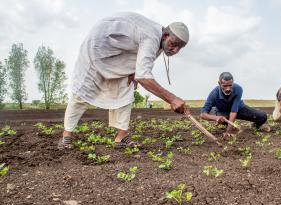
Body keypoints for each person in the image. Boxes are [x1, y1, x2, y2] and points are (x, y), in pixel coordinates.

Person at [58, 12, 189, 149]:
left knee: (126, 87)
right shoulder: (151, 37)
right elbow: (143, 75)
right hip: (98, 47)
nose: (175, 50)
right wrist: (172, 99)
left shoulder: (161, 42)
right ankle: (66, 135)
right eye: (174, 44)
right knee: (83, 91)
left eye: (180, 48)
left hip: (119, 53)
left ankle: (121, 136)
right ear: (166, 35)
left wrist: (133, 73)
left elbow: (142, 67)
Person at [200, 72, 270, 136]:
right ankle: (219, 116)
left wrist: (228, 132)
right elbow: (203, 114)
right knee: (223, 120)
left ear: (233, 83)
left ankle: (255, 126)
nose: (228, 89)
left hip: (239, 109)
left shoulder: (238, 89)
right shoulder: (214, 94)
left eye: (230, 85)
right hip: (224, 113)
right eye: (225, 86)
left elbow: (234, 111)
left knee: (262, 116)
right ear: (219, 83)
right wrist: (216, 118)